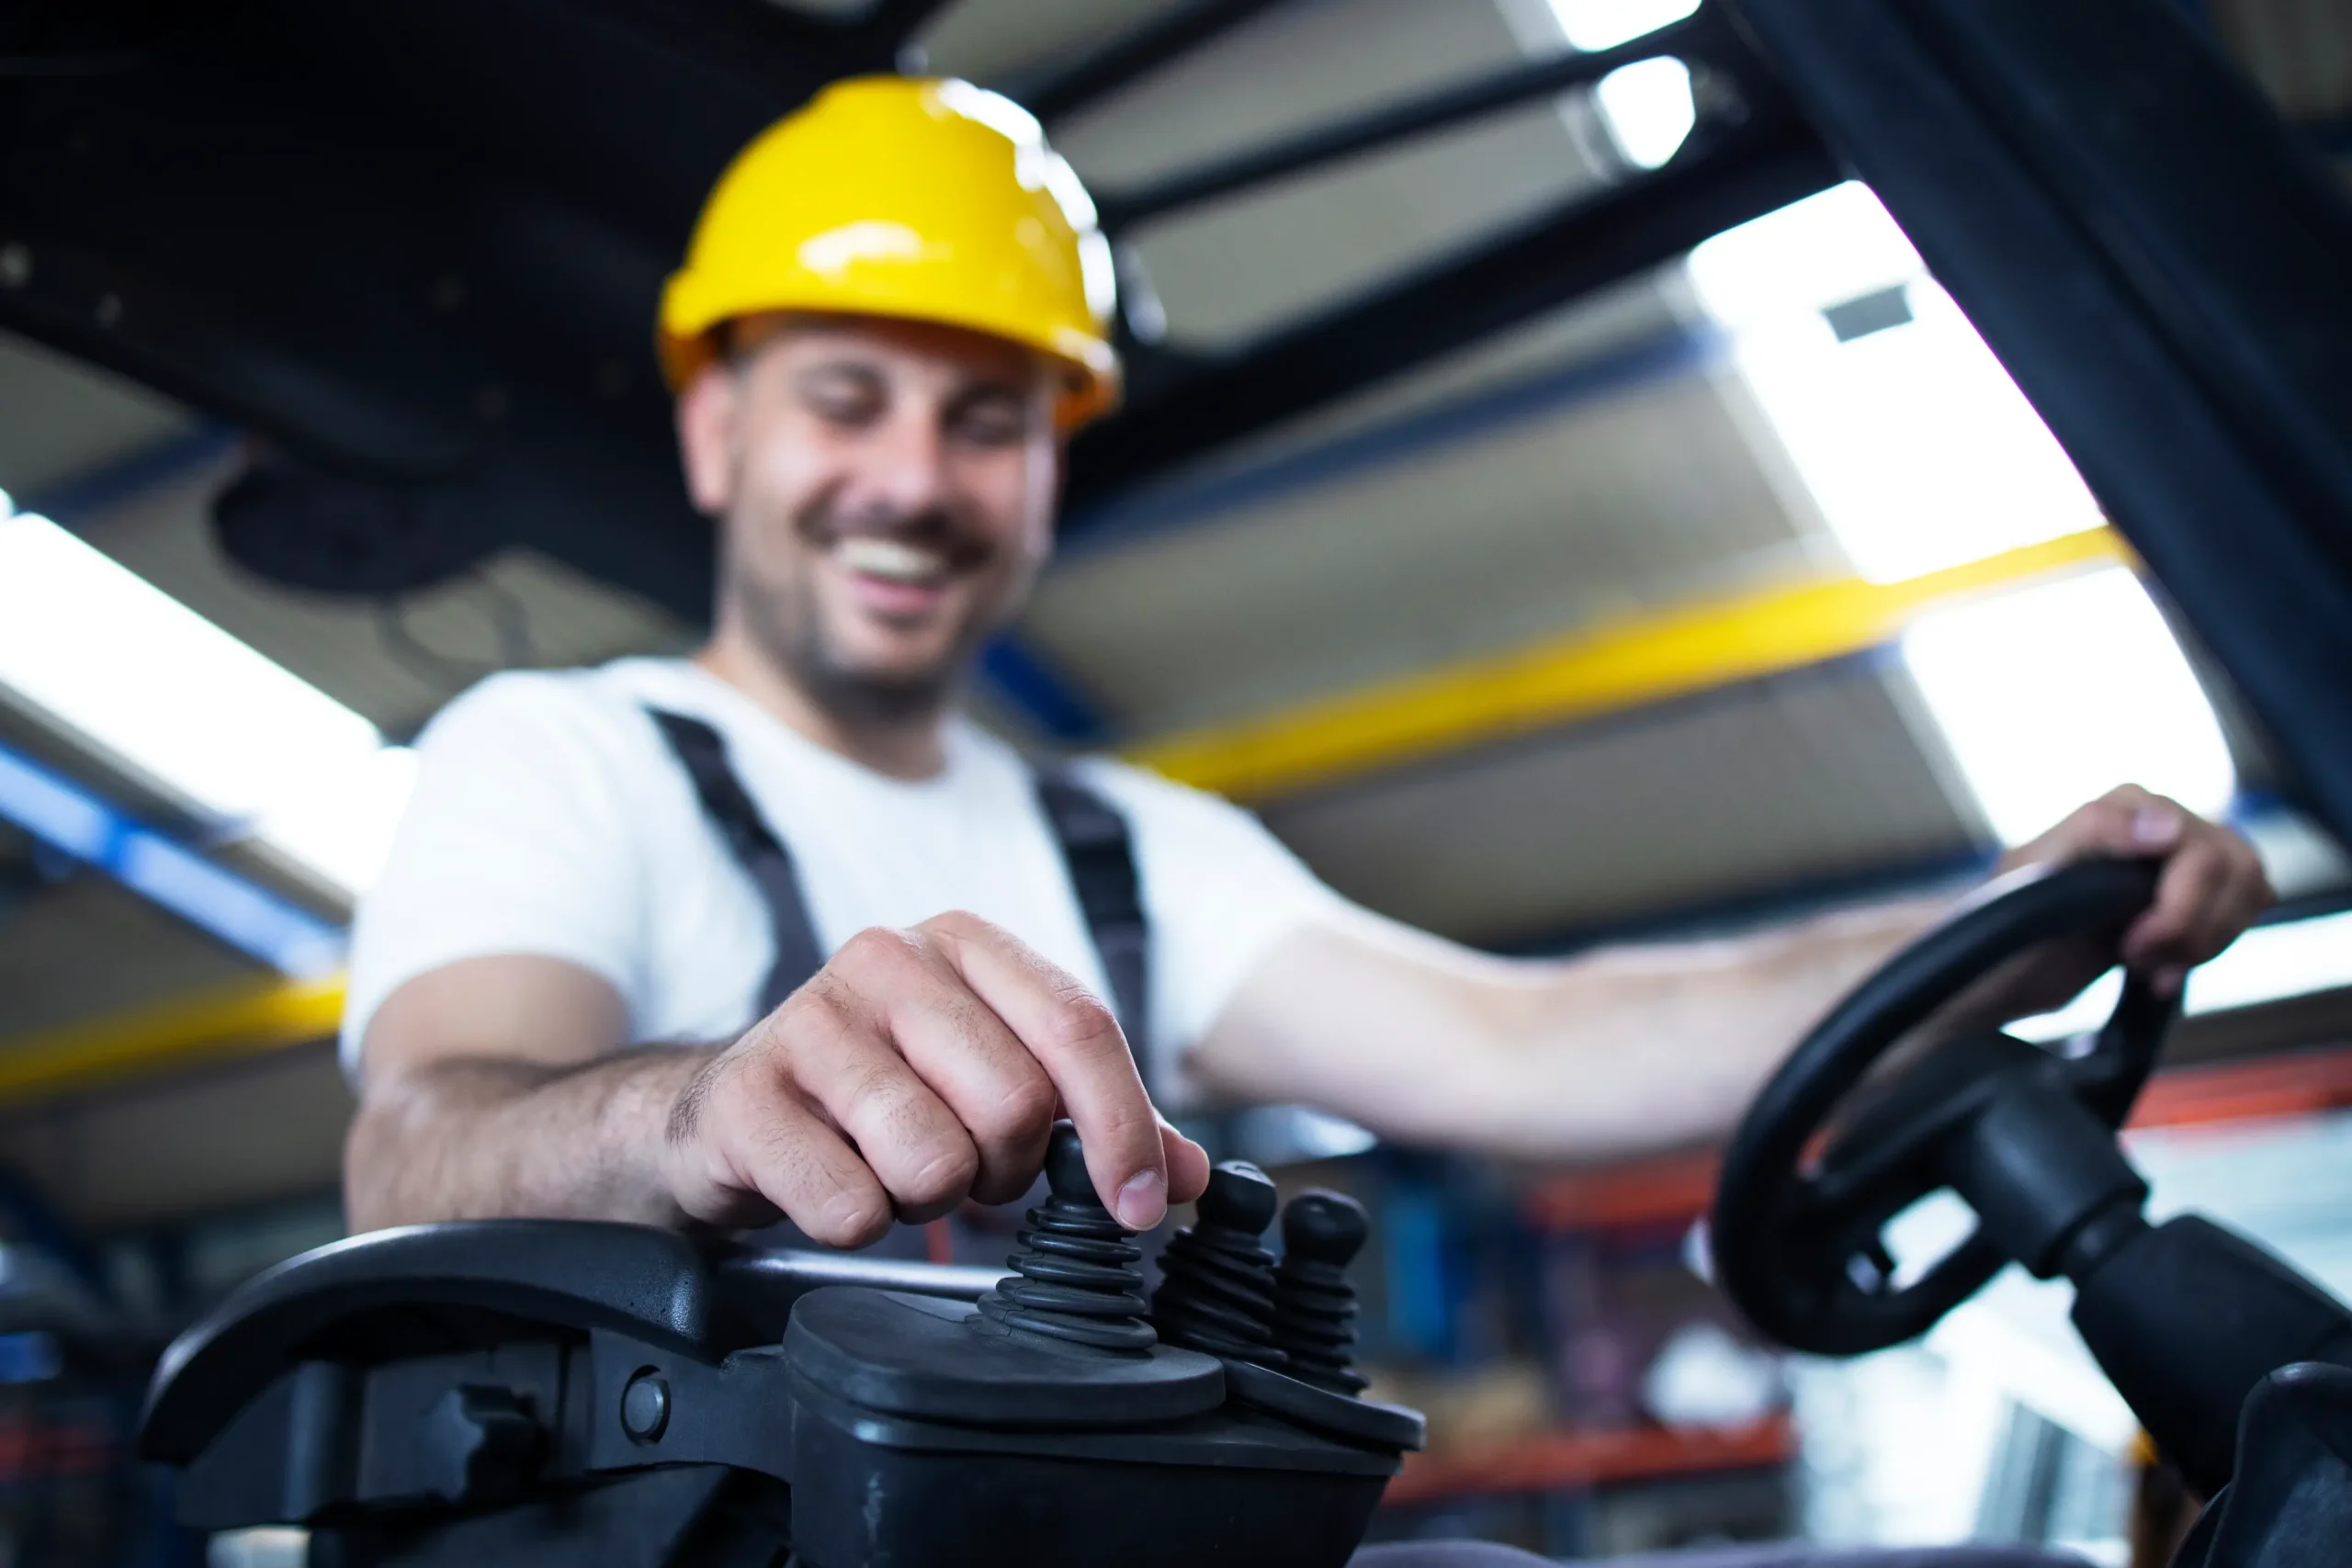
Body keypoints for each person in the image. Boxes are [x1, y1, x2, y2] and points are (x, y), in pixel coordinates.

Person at [338, 78, 2270, 1567]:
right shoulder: (560, 754)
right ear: (715, 430)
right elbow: (416, 1138)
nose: (913, 480)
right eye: (848, 398)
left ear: (1046, 467)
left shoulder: (1127, 848)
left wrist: (2000, 928)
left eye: (987, 420)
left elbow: (1530, 1042)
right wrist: (687, 1111)